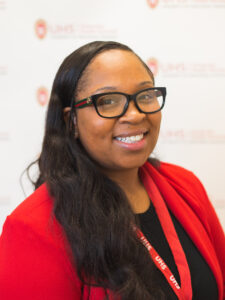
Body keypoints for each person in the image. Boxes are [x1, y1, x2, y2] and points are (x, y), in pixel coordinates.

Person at [0, 41, 224, 300]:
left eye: (146, 95)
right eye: (108, 101)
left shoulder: (185, 185)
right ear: (70, 120)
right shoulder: (34, 228)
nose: (135, 114)